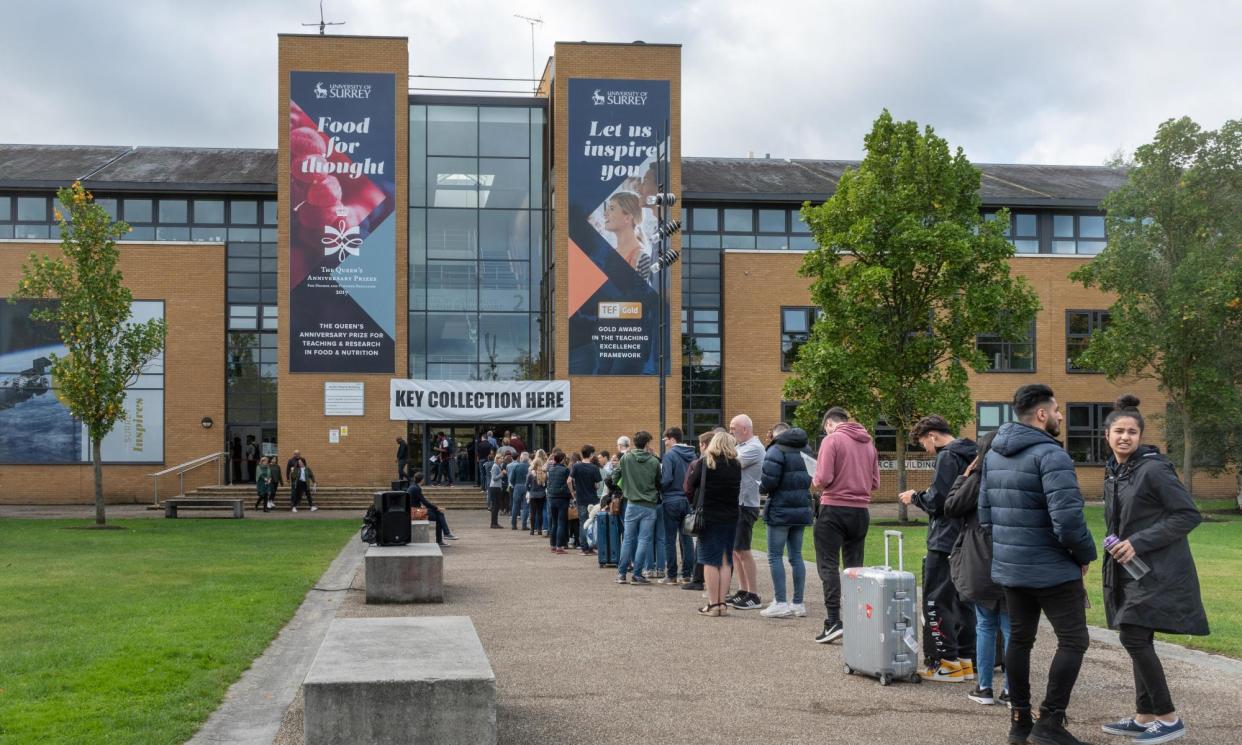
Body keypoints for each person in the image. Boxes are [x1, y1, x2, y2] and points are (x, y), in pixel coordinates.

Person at [979, 384, 1097, 745]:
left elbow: (985, 517)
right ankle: (1050, 722)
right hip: (1053, 570)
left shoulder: (993, 455)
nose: (1061, 416)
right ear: (1042, 414)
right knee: (1074, 640)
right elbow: (1068, 521)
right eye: (1058, 410)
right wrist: (1085, 556)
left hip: (1012, 569)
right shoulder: (1052, 455)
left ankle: (1019, 722)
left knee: (1020, 639)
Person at [1099, 396, 1207, 745]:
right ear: (1107, 435)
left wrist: (1139, 542)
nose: (1125, 437)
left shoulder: (1154, 468)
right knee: (1136, 636)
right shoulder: (1115, 471)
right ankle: (1144, 717)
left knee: (1132, 634)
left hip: (1159, 569)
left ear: (1141, 436)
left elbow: (1188, 514)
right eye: (1119, 431)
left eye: (1132, 432)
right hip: (1130, 571)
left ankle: (1168, 717)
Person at [898, 415, 978, 682]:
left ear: (932, 435)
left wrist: (915, 497)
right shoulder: (974, 453)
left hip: (944, 537)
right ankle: (966, 660)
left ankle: (947, 662)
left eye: (923, 443)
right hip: (966, 536)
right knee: (963, 600)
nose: (925, 449)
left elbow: (941, 500)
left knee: (935, 599)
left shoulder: (947, 457)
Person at [943, 431, 1010, 707]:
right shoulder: (1018, 474)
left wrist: (965, 476)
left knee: (985, 624)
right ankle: (1012, 689)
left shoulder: (980, 477)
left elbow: (952, 506)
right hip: (1013, 556)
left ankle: (984, 687)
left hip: (982, 557)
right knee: (1011, 627)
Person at [811, 407, 880, 644]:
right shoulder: (869, 443)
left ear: (830, 423)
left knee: (828, 565)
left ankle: (833, 620)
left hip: (834, 508)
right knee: (854, 568)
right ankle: (856, 618)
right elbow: (875, 482)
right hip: (860, 511)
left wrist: (814, 480)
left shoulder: (832, 440)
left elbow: (823, 478)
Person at [758, 421, 814, 618]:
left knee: (774, 556)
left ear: (776, 435)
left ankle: (780, 601)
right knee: (796, 556)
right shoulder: (807, 449)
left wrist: (762, 487)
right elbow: (812, 477)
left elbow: (768, 483)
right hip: (801, 507)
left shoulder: (775, 450)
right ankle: (798, 603)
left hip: (780, 509)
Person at [686, 431, 741, 616]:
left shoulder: (705, 463)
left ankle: (712, 603)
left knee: (709, 560)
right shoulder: (736, 464)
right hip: (731, 515)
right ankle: (722, 603)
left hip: (708, 515)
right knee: (726, 560)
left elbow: (690, 485)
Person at [726, 414, 766, 610]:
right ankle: (743, 590)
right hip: (737, 503)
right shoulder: (740, 446)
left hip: (746, 504)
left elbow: (732, 465)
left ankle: (754, 594)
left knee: (743, 549)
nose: (730, 431)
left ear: (745, 429)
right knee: (736, 550)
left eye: (733, 428)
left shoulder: (754, 448)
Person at [614, 431, 662, 585]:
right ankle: (637, 574)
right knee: (643, 540)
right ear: (647, 443)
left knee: (628, 539)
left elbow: (615, 477)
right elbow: (659, 483)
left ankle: (621, 574)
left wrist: (626, 486)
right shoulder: (654, 461)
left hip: (632, 503)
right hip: (649, 505)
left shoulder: (626, 458)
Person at [658, 427, 697, 584]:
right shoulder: (693, 454)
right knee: (686, 538)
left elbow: (666, 479)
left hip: (671, 500)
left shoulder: (670, 455)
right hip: (688, 500)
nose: (665, 443)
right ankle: (688, 574)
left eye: (665, 439)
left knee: (669, 539)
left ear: (672, 439)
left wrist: (658, 486)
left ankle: (672, 575)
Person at [603, 191, 652, 278]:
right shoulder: (608, 256)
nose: (605, 214)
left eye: (612, 208)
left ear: (628, 218)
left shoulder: (643, 260)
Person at [569, 445, 602, 555]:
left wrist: (573, 493)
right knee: (592, 522)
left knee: (582, 523)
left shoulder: (576, 467)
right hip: (592, 498)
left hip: (580, 498)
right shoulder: (594, 468)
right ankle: (591, 545)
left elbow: (569, 481)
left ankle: (584, 548)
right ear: (591, 454)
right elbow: (597, 485)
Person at [407, 472, 454, 546]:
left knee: (440, 514)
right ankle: (444, 536)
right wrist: (437, 507)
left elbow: (416, 501)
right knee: (439, 516)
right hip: (415, 512)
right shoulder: (416, 488)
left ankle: (445, 535)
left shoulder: (413, 486)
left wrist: (435, 508)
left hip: (416, 510)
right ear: (422, 480)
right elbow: (425, 502)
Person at [546, 452, 572, 553]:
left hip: (552, 497)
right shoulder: (565, 470)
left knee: (554, 522)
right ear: (562, 459)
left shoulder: (551, 469)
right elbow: (568, 483)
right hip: (562, 498)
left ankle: (553, 545)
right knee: (561, 522)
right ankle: (559, 546)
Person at [527, 450, 548, 536]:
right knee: (540, 512)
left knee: (532, 513)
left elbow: (526, 484)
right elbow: (545, 485)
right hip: (541, 494)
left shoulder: (530, 474)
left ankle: (532, 530)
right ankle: (539, 529)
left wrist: (529, 490)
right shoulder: (543, 473)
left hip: (533, 494)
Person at [509, 452, 530, 530]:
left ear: (521, 458)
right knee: (526, 507)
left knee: (515, 506)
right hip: (527, 487)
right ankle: (524, 525)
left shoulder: (516, 466)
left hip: (517, 486)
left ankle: (513, 525)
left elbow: (511, 479)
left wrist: (515, 484)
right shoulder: (530, 467)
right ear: (527, 458)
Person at [488, 453, 508, 529]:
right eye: (501, 458)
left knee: (496, 506)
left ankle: (495, 522)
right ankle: (493, 523)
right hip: (494, 487)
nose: (502, 460)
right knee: (495, 506)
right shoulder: (495, 466)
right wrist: (502, 473)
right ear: (497, 459)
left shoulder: (497, 466)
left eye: (502, 458)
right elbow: (494, 478)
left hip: (496, 487)